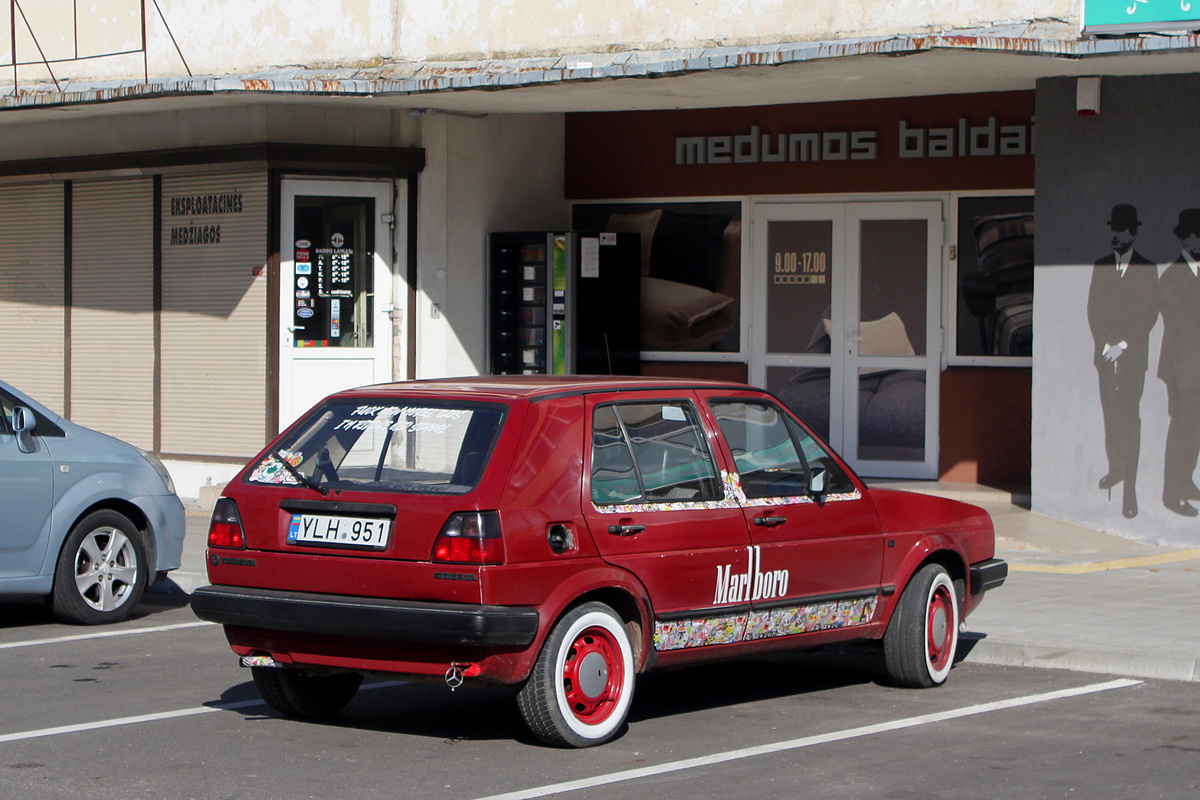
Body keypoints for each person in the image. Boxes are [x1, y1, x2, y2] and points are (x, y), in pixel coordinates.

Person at [1087, 204, 1158, 518]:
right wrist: (1104, 343)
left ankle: (1129, 489)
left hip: (1131, 358)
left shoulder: (1147, 267)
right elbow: (1094, 308)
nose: (1116, 235)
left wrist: (1123, 345)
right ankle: (1115, 468)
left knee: (1129, 421)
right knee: (1110, 418)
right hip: (1104, 356)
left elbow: (1148, 314)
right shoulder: (1101, 265)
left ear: (1132, 233)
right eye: (1113, 229)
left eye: (1122, 230)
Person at [1158, 208, 1200, 517]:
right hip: (1183, 367)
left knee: (1194, 429)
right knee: (1182, 429)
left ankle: (1185, 481)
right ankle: (1172, 493)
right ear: (1185, 239)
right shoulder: (1172, 276)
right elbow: (1181, 323)